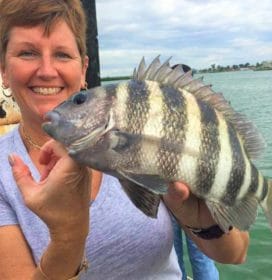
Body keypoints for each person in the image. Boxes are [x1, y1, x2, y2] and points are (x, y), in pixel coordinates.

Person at [0, 1, 249, 279]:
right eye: (27, 53)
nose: (47, 70)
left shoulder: (141, 128)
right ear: (3, 71)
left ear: (83, 70)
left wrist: (199, 221)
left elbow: (236, 254)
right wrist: (69, 234)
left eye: (62, 55)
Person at [171, 64, 219, 280]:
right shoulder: (205, 113)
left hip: (172, 195)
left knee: (175, 256)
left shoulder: (163, 112)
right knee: (201, 254)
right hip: (196, 194)